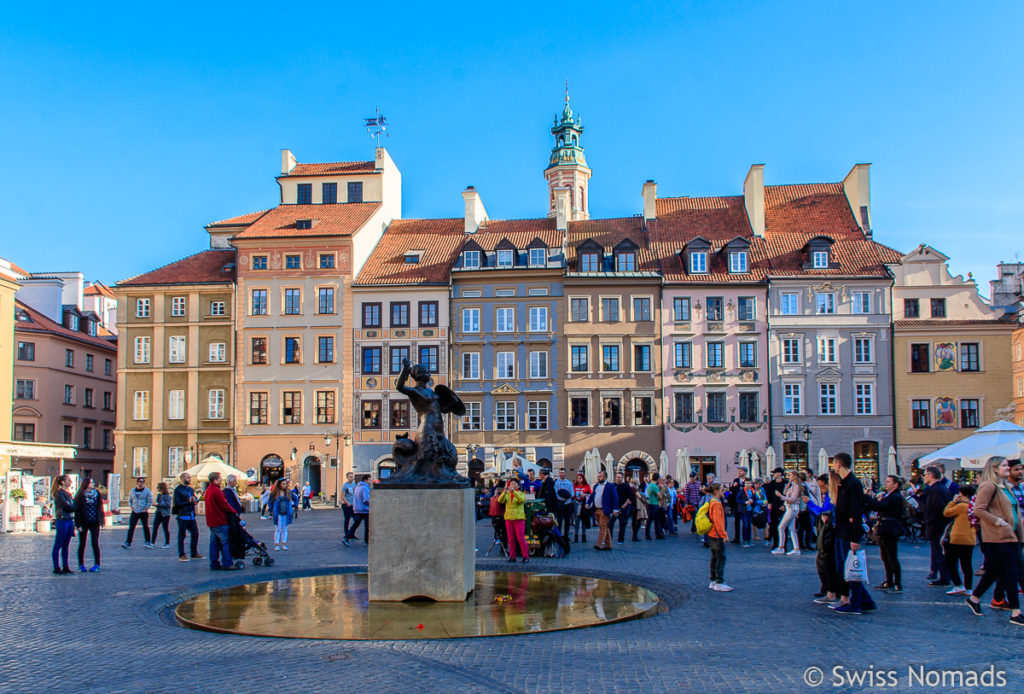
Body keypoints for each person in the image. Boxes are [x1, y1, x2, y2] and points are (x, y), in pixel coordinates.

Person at [965, 459, 1024, 625]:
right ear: (995, 469)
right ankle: (1015, 612)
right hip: (997, 536)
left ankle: (974, 599)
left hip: (1011, 535)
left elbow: (1015, 512)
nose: (1008, 468)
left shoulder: (1005, 487)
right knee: (1012, 571)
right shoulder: (988, 486)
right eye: (1005, 465)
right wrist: (997, 521)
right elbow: (979, 509)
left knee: (994, 571)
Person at [831, 452, 876, 615]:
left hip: (848, 532)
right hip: (842, 530)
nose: (833, 466)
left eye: (834, 463)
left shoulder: (852, 484)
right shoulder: (846, 483)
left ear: (838, 464)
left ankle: (857, 602)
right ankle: (866, 600)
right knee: (846, 568)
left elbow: (857, 511)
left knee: (851, 569)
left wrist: (855, 537)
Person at [868, 475, 905, 593]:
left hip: (890, 527)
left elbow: (879, 506)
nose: (886, 483)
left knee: (891, 556)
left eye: (889, 482)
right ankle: (889, 580)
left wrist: (868, 497)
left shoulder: (894, 496)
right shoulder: (890, 495)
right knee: (885, 555)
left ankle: (897, 582)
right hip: (886, 527)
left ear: (896, 484)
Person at [922, 465, 954, 586]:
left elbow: (938, 509)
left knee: (939, 551)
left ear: (930, 476)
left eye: (925, 475)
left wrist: (930, 522)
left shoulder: (935, 490)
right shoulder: (940, 488)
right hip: (939, 525)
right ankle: (944, 575)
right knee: (940, 551)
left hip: (937, 526)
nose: (924, 477)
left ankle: (944, 577)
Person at [204, 472, 242, 570]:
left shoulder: (208, 490)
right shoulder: (217, 491)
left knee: (214, 543)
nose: (221, 480)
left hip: (211, 521)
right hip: (220, 520)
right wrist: (234, 511)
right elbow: (225, 504)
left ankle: (214, 563)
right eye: (220, 479)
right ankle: (227, 563)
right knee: (225, 542)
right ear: (215, 480)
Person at [943, 484, 977, 596]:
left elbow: (946, 512)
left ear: (963, 494)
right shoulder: (974, 506)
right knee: (967, 564)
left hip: (957, 538)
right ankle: (969, 588)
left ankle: (958, 585)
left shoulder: (961, 506)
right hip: (970, 538)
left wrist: (953, 501)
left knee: (949, 562)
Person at [810, 473, 838, 604]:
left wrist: (809, 503)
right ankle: (828, 588)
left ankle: (830, 589)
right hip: (828, 531)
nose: (820, 490)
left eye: (821, 487)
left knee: (824, 561)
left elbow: (822, 512)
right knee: (824, 561)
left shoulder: (831, 497)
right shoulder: (829, 496)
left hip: (829, 532)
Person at [74, 477, 104, 572]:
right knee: (82, 543)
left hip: (95, 522)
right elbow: (77, 511)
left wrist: (102, 519)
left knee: (95, 543)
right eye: (91, 482)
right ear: (86, 484)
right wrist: (78, 524)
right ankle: (81, 564)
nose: (93, 483)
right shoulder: (80, 495)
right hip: (84, 522)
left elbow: (100, 507)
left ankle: (97, 564)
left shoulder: (97, 494)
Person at [707, 483, 732, 591]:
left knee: (714, 557)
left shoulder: (711, 501)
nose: (723, 492)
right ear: (717, 491)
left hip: (712, 534)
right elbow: (718, 521)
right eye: (722, 490)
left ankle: (713, 580)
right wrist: (724, 535)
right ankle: (719, 581)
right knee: (720, 557)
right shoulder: (717, 503)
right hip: (717, 534)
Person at [172, 472, 202, 561]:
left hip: (191, 515)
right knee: (182, 535)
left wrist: (195, 500)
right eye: (188, 478)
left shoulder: (190, 489)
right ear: (182, 479)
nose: (190, 479)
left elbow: (194, 498)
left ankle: (194, 553)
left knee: (195, 534)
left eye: (190, 477)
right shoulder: (178, 490)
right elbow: (177, 504)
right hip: (183, 515)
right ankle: (182, 554)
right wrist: (188, 501)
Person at [772, 470, 802, 555]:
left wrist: (780, 496)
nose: (789, 477)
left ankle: (781, 547)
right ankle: (796, 548)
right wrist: (787, 486)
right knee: (791, 529)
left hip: (792, 509)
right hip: (790, 508)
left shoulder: (797, 487)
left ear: (795, 476)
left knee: (781, 527)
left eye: (790, 475)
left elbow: (793, 499)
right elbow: (786, 494)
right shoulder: (792, 486)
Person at [499, 479, 529, 563]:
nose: (512, 485)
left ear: (518, 486)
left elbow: (521, 500)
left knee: (520, 538)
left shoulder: (521, 493)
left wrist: (514, 492)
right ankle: (512, 556)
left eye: (514, 484)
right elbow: (500, 500)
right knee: (511, 539)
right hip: (509, 518)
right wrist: (504, 492)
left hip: (518, 518)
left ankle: (525, 556)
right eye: (511, 484)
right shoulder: (507, 494)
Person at [51, 475, 76, 575]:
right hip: (62, 520)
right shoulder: (59, 494)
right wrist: (74, 507)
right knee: (58, 544)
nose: (70, 482)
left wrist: (73, 507)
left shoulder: (68, 494)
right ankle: (57, 567)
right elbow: (68, 506)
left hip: (69, 520)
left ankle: (66, 566)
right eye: (68, 480)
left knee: (66, 545)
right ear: (62, 482)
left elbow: (72, 505)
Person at [121, 477, 154, 549]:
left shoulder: (147, 491)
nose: (141, 483)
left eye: (143, 481)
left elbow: (150, 500)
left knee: (145, 526)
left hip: (143, 511)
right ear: (137, 482)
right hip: (135, 511)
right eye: (140, 481)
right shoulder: (132, 491)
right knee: (131, 527)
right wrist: (131, 507)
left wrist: (146, 508)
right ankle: (128, 542)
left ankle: (148, 541)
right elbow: (130, 500)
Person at [591, 470, 619, 551]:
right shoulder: (596, 486)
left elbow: (615, 497)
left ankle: (599, 544)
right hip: (597, 509)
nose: (599, 478)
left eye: (600, 476)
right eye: (598, 476)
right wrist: (588, 503)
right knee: (605, 527)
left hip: (605, 509)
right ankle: (609, 544)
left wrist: (615, 508)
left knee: (602, 526)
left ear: (605, 477)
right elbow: (593, 495)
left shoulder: (610, 486)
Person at [764, 468, 787, 550]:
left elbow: (788, 495)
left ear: (780, 474)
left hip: (783, 507)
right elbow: (768, 494)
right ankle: (775, 542)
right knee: (773, 526)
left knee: (783, 526)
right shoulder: (772, 484)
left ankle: (783, 544)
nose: (773, 474)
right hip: (773, 506)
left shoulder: (785, 483)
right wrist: (769, 502)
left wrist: (785, 505)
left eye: (775, 473)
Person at [345, 475, 371, 545]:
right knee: (367, 526)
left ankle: (346, 537)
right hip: (365, 509)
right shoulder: (365, 488)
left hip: (357, 509)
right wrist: (371, 504)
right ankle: (366, 541)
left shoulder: (357, 487)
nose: (370, 482)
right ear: (365, 480)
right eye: (369, 480)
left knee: (356, 524)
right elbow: (366, 499)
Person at [269, 479, 294, 550]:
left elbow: (295, 497)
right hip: (278, 512)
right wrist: (271, 509)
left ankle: (284, 544)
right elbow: (270, 501)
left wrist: (294, 505)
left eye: (285, 484)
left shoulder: (288, 492)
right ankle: (277, 545)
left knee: (285, 528)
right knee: (278, 529)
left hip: (286, 512)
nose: (284, 485)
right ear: (279, 484)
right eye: (283, 484)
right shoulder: (275, 493)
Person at [613, 472, 635, 544]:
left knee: (622, 524)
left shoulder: (626, 486)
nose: (618, 478)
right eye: (617, 477)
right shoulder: (613, 485)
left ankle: (620, 539)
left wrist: (625, 505)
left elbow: (631, 497)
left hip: (623, 508)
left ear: (622, 478)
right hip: (614, 508)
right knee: (610, 524)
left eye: (619, 477)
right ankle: (609, 539)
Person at [728, 467, 749, 543]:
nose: (739, 472)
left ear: (745, 472)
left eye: (741, 471)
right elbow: (732, 490)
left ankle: (746, 537)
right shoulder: (736, 480)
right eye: (739, 471)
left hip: (745, 503)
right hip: (737, 503)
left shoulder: (748, 480)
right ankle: (737, 537)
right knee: (736, 520)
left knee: (745, 520)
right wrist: (734, 486)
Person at [553, 469, 575, 538]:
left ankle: (566, 535)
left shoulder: (569, 483)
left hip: (568, 504)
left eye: (562, 473)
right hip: (560, 503)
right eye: (560, 473)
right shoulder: (556, 483)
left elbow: (572, 493)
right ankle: (559, 535)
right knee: (559, 520)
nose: (561, 474)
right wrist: (562, 498)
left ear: (565, 473)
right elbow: (556, 493)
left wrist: (567, 497)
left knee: (567, 520)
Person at [488, 479, 508, 551]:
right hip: (501, 517)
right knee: (504, 533)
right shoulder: (500, 497)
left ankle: (501, 545)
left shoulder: (494, 496)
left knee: (500, 533)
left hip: (494, 518)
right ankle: (504, 548)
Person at [572, 473, 591, 543]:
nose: (579, 480)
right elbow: (572, 493)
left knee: (583, 520)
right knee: (576, 520)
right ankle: (576, 535)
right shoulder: (574, 486)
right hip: (576, 504)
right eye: (578, 478)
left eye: (580, 478)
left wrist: (585, 494)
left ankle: (584, 535)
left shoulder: (587, 486)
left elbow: (590, 494)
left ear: (583, 479)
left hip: (583, 505)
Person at [644, 472, 664, 540]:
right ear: (658, 479)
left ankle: (656, 534)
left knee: (654, 519)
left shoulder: (649, 485)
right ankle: (649, 534)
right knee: (652, 520)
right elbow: (660, 496)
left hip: (650, 503)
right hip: (654, 504)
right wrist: (662, 489)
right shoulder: (655, 486)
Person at [152, 482, 172, 549]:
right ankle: (152, 542)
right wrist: (156, 505)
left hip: (165, 514)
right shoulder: (159, 495)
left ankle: (167, 543)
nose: (157, 489)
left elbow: (168, 505)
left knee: (165, 528)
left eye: (158, 487)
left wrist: (158, 505)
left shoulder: (167, 496)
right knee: (155, 528)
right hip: (158, 513)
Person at [736, 479, 755, 547]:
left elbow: (755, 499)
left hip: (750, 510)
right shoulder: (742, 491)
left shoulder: (753, 491)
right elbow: (737, 499)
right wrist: (744, 502)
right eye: (746, 483)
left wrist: (753, 501)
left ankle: (749, 540)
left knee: (749, 525)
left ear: (751, 484)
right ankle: (745, 540)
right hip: (744, 510)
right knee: (745, 525)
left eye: (748, 483)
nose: (747, 485)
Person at [341, 472, 356, 538]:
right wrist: (348, 503)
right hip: (347, 505)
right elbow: (342, 496)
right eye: (350, 477)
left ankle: (352, 533)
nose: (352, 478)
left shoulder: (354, 484)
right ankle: (347, 534)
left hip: (353, 505)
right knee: (347, 519)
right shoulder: (345, 485)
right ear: (347, 477)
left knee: (356, 519)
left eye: (352, 477)